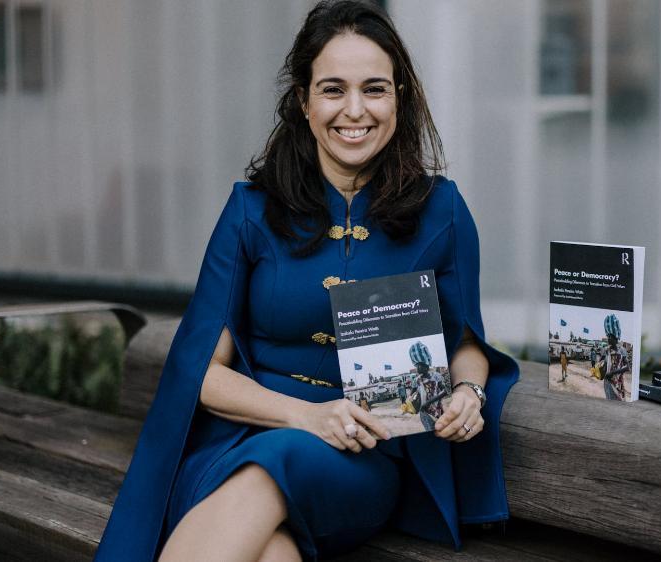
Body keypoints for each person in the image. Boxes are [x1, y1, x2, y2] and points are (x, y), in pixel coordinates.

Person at [95, 2, 519, 560]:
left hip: (361, 453)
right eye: (333, 89)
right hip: (235, 438)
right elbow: (200, 371)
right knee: (271, 551)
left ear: (399, 98)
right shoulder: (249, 211)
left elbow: (462, 340)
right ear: (303, 100)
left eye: (374, 89)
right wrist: (305, 416)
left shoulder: (442, 210)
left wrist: (468, 392)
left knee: (274, 470)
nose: (355, 110)